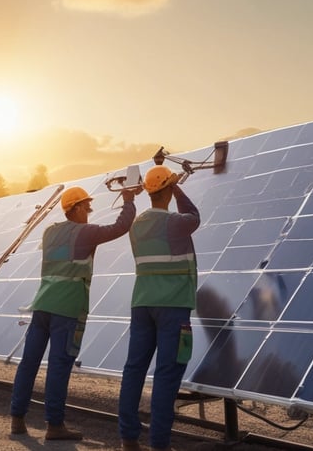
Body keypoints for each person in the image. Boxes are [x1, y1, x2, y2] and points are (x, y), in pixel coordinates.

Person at [10, 185, 138, 440]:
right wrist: (128, 201)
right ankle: (54, 426)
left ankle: (17, 419)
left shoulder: (49, 232)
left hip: (43, 305)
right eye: (87, 207)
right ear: (77, 208)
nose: (89, 212)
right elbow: (119, 228)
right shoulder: (86, 232)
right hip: (67, 309)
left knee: (29, 363)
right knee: (59, 366)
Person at [118, 166, 200, 451]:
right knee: (167, 373)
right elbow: (194, 216)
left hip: (142, 304)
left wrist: (168, 185)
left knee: (134, 370)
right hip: (173, 306)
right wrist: (177, 186)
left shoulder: (137, 224)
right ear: (166, 190)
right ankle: (159, 444)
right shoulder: (176, 223)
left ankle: (128, 439)